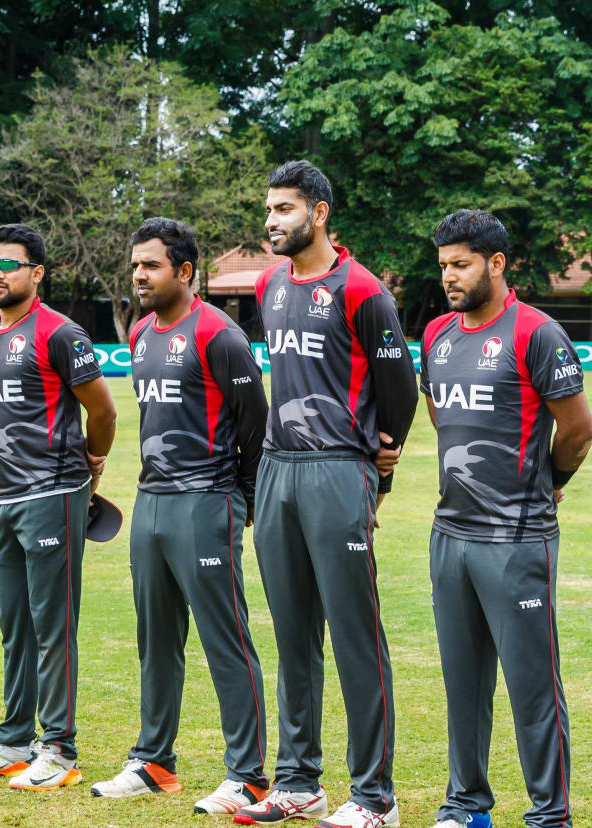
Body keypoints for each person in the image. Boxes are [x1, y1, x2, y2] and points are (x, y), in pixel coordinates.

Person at [238, 161, 419, 828]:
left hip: (339, 468)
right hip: (278, 469)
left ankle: (375, 796)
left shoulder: (362, 288)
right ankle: (298, 782)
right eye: (269, 209)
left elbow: (402, 387)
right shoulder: (269, 285)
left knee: (353, 637)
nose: (271, 221)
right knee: (292, 634)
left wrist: (382, 460)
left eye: (284, 209)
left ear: (318, 212)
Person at [90, 218, 270, 814]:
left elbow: (255, 427)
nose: (139, 275)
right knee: (155, 640)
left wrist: (236, 498)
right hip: (152, 502)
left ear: (185, 271)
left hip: (206, 503)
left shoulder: (219, 335)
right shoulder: (140, 331)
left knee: (226, 639)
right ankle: (153, 762)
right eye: (135, 264)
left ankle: (247, 776)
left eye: (152, 265)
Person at [419, 210, 592, 828]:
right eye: (443, 265)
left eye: (460, 264)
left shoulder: (537, 333)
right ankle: (465, 806)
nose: (449, 276)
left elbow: (577, 429)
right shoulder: (438, 334)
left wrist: (548, 483)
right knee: (463, 684)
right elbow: (442, 414)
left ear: (496, 264)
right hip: (451, 536)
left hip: (516, 539)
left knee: (531, 687)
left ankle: (550, 814)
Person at [0, 222, 117, 792]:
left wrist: (90, 467)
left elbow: (105, 412)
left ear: (36, 273)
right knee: (14, 625)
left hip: (54, 492)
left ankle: (59, 748)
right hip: (7, 498)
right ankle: (12, 739)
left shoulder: (62, 334)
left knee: (53, 625)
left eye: (9, 265)